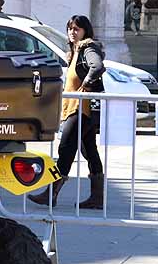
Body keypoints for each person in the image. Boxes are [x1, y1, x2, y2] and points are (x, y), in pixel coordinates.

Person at [30, 14, 106, 209]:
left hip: (82, 108)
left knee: (65, 148)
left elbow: (97, 67)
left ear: (85, 31)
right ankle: (97, 198)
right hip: (77, 108)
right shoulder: (75, 51)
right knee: (89, 150)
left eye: (77, 29)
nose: (72, 32)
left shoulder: (88, 47)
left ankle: (51, 194)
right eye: (70, 29)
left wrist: (86, 85)